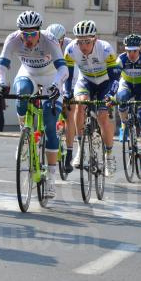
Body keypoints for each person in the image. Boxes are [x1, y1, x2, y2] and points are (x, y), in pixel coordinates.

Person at [0, 11, 67, 198]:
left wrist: (57, 85)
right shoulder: (13, 39)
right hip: (28, 74)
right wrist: (1, 83)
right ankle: (25, 136)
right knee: (22, 93)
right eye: (24, 34)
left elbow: (63, 69)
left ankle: (51, 177)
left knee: (50, 126)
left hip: (52, 78)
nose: (28, 38)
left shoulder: (49, 40)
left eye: (32, 34)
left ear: (39, 32)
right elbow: (1, 67)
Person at [65, 20, 121, 177]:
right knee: (80, 103)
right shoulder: (70, 49)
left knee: (103, 117)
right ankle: (81, 147)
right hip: (86, 81)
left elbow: (115, 76)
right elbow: (68, 75)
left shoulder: (105, 49)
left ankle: (109, 156)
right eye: (80, 41)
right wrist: (67, 92)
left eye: (87, 42)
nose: (83, 46)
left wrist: (110, 95)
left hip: (105, 83)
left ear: (95, 39)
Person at [115, 34, 141, 171]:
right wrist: (110, 95)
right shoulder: (121, 59)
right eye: (128, 51)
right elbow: (115, 80)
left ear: (140, 49)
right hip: (126, 85)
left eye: (134, 51)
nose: (131, 54)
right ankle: (124, 125)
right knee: (121, 98)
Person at [45, 23, 77, 172]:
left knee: (70, 112)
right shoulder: (46, 43)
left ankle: (69, 153)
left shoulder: (71, 46)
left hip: (71, 77)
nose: (56, 44)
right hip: (52, 78)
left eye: (59, 41)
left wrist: (67, 93)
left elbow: (72, 74)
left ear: (63, 39)